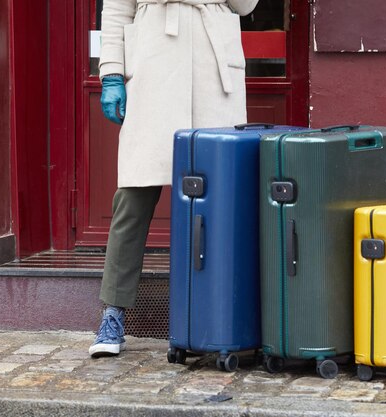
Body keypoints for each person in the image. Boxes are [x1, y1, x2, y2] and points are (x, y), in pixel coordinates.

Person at [89, 0, 259, 357]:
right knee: (134, 194)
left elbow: (245, 6)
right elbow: (118, 10)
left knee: (221, 199)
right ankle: (112, 313)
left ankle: (221, 317)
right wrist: (112, 74)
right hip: (153, 68)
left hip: (213, 71)